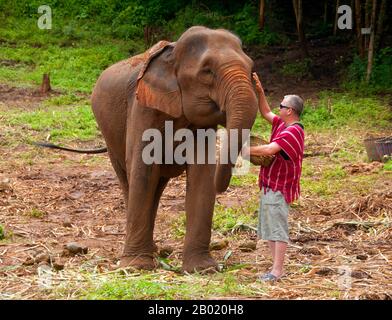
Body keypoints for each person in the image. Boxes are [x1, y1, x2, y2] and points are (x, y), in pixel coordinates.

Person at [242, 72, 305, 282]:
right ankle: (274, 268)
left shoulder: (293, 132)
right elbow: (265, 111)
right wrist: (259, 91)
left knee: (277, 228)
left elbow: (270, 150)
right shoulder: (282, 124)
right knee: (268, 227)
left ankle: (277, 271)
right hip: (270, 184)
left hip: (280, 186)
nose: (279, 108)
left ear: (290, 111)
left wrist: (242, 151)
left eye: (282, 105)